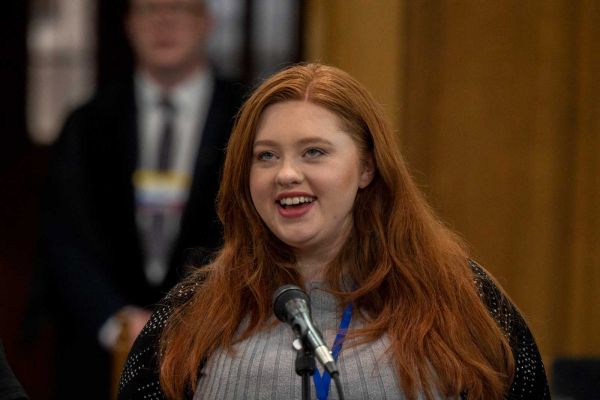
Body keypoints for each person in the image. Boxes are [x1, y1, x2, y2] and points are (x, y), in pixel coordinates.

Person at [118, 63, 550, 399]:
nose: (286, 174)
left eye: (313, 152)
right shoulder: (193, 310)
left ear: (366, 167)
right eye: (266, 156)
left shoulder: (463, 296)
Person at [28, 0, 243, 398]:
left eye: (178, 9)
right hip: (98, 351)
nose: (164, 22)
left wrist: (185, 318)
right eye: (149, 10)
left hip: (217, 343)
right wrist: (116, 319)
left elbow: (249, 231)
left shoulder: (246, 118)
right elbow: (62, 235)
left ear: (207, 22)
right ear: (128, 25)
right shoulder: (87, 122)